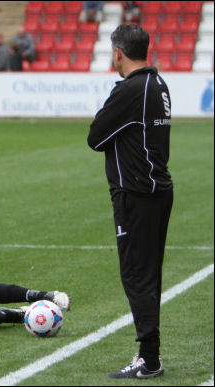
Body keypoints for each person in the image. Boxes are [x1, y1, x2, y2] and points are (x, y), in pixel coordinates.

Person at [87, 24, 173, 379]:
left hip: (136, 194)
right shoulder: (158, 84)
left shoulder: (130, 89)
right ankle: (149, 355)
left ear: (119, 52)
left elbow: (95, 137)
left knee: (136, 275)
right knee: (148, 274)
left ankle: (149, 358)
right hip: (157, 190)